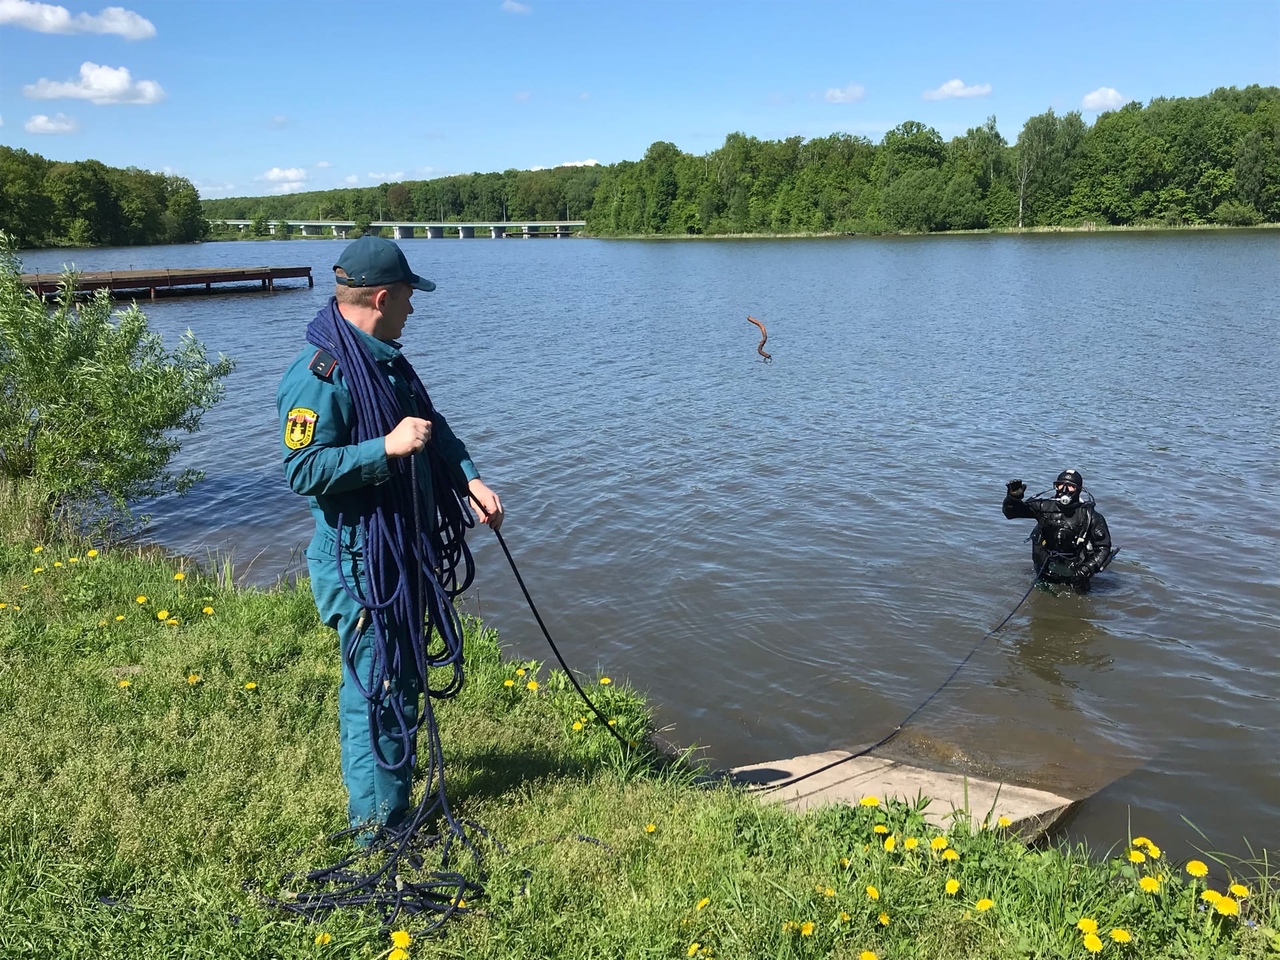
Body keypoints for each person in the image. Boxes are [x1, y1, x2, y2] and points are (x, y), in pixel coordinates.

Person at [276, 235, 503, 832]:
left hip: (398, 548)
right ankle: (377, 829)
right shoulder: (319, 376)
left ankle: (393, 804)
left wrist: (469, 480)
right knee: (374, 690)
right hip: (357, 561)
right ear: (380, 296)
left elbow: (432, 427)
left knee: (399, 677)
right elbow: (303, 469)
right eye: (407, 297)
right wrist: (384, 448)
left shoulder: (384, 358)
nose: (413, 307)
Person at [1002, 468, 1114, 589]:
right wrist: (1013, 499)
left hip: (1076, 572)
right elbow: (1011, 513)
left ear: (1079, 490)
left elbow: (1103, 547)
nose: (1064, 490)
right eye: (1060, 485)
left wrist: (1086, 569)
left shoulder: (1090, 516)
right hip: (1044, 569)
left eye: (1070, 486)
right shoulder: (1043, 506)